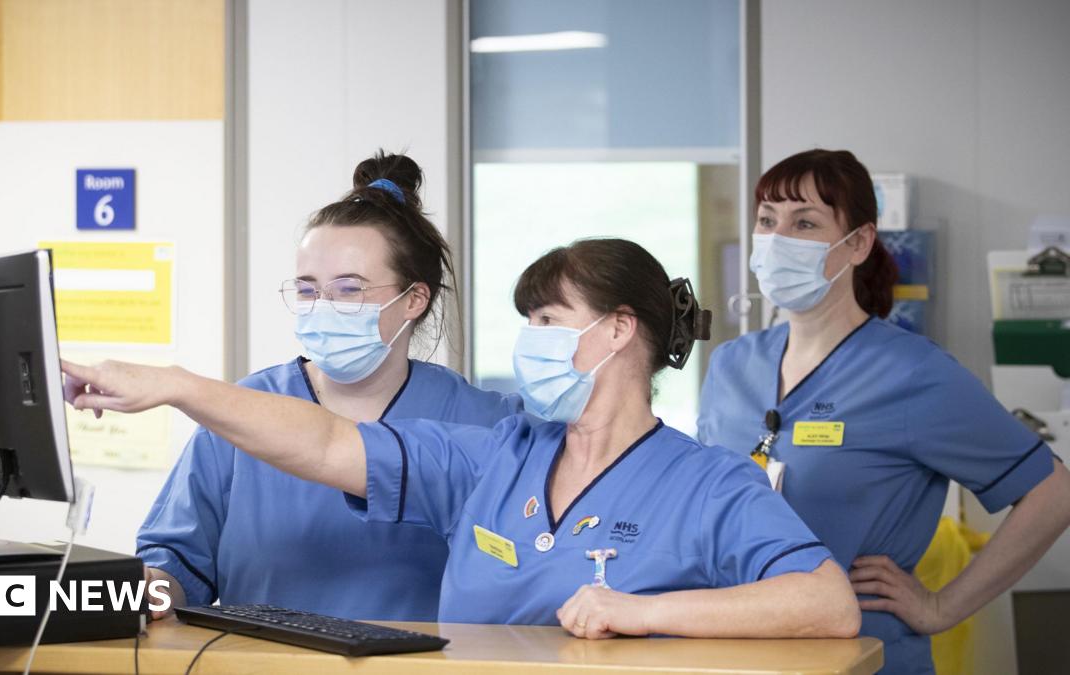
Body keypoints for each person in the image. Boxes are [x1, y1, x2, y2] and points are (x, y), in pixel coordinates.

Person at [64, 238, 861, 639]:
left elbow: (827, 602)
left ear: (620, 330)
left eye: (548, 321)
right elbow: (326, 443)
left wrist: (647, 611)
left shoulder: (706, 482)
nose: (530, 340)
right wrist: (176, 384)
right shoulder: (496, 452)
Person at [697, 149, 1070, 673]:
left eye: (805, 222)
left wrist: (942, 606)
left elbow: (1053, 493)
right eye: (767, 220)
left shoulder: (912, 373)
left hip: (863, 658)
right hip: (737, 656)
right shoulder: (731, 366)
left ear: (859, 243)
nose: (778, 239)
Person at [134, 151, 523, 621]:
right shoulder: (243, 412)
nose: (321, 307)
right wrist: (132, 594)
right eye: (306, 289)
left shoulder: (483, 421)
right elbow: (175, 563)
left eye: (349, 289)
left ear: (414, 299)